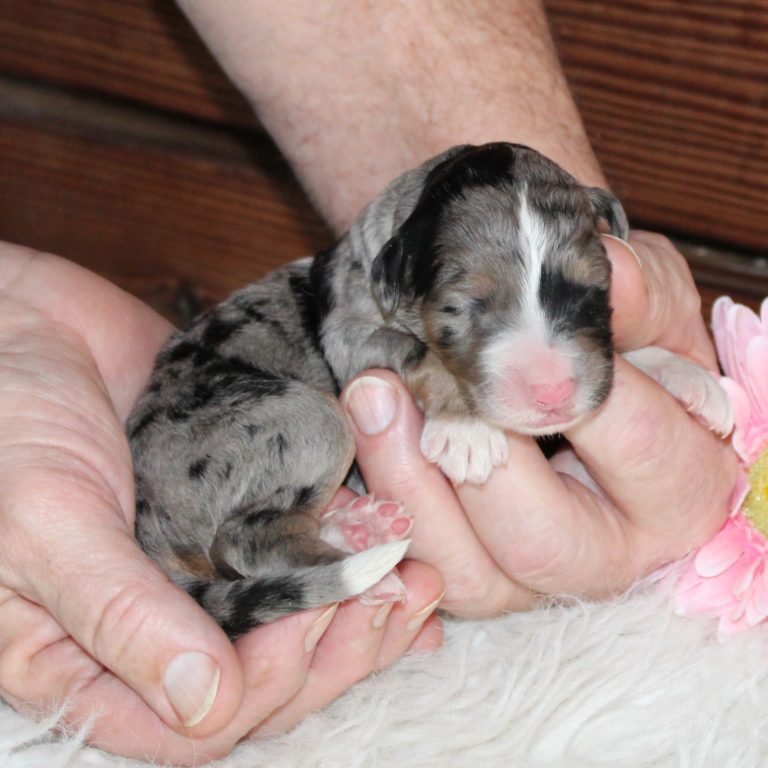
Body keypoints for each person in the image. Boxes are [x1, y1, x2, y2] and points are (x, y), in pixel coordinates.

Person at [0, 0, 736, 764]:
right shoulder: (366, 301)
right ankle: (270, 544)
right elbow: (366, 348)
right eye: (471, 307)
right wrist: (447, 398)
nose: (552, 371)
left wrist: (657, 364)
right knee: (317, 428)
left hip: (223, 451)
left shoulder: (467, 265)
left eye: (585, 287)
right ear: (399, 281)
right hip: (211, 435)